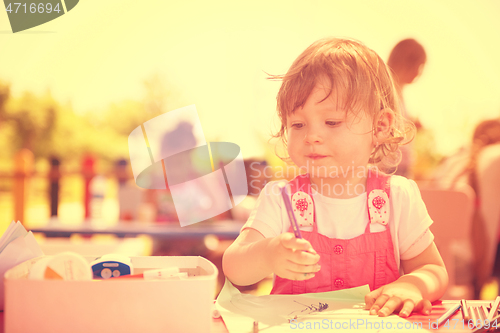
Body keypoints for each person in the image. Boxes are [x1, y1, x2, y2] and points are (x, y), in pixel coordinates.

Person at [222, 37, 448, 318]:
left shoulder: (397, 197)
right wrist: (268, 254)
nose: (312, 136)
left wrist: (413, 286)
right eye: (298, 124)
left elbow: (434, 270)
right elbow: (234, 267)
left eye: (332, 122)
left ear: (380, 126)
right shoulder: (281, 198)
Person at [387, 39, 427, 178]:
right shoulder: (386, 89)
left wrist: (411, 124)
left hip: (399, 164)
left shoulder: (398, 90)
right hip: (389, 165)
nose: (419, 73)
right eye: (419, 66)